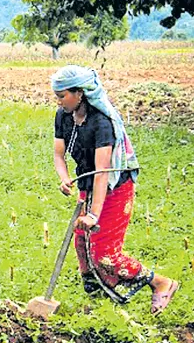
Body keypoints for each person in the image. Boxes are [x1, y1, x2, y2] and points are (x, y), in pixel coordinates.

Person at [51, 65, 179, 315]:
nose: (58, 101)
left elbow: (103, 174)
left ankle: (161, 282)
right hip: (88, 185)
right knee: (82, 244)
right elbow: (59, 154)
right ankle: (99, 302)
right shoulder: (63, 116)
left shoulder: (102, 123)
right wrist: (65, 178)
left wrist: (94, 215)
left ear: (80, 94)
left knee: (104, 254)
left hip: (114, 188)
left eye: (62, 95)